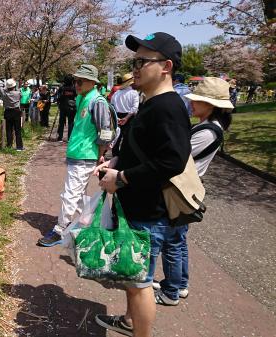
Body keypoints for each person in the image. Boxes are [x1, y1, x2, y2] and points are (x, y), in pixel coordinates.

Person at [94, 32, 190, 337]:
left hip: (149, 213)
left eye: (142, 61)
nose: (134, 67)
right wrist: (114, 163)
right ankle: (129, 322)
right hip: (137, 207)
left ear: (166, 66)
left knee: (139, 284)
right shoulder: (150, 103)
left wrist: (121, 178)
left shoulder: (168, 107)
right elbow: (142, 150)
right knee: (132, 278)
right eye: (133, 61)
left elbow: (171, 162)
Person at [152, 77, 234, 305]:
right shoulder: (207, 126)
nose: (192, 103)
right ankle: (180, 284)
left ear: (212, 105)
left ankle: (171, 292)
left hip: (179, 191)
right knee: (177, 240)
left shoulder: (209, 131)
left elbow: (177, 155)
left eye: (198, 100)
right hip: (184, 191)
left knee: (172, 243)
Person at [37, 64, 113, 247]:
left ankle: (60, 229)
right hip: (77, 153)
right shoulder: (82, 98)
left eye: (80, 81)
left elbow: (105, 131)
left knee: (70, 194)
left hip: (86, 155)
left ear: (92, 82)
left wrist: (101, 155)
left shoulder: (98, 102)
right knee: (78, 196)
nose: (76, 84)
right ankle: (92, 226)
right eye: (75, 80)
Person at [0, 78, 24, 151]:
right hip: (16, 111)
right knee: (17, 130)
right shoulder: (18, 93)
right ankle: (19, 147)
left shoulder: (4, 94)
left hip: (8, 112)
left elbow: (0, 87)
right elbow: (20, 94)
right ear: (14, 86)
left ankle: (9, 145)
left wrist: (2, 83)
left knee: (8, 129)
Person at [56, 75, 77, 141]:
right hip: (71, 107)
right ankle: (69, 138)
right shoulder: (74, 88)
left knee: (61, 122)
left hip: (62, 107)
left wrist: (59, 102)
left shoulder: (62, 88)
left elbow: (58, 97)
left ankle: (60, 137)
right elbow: (77, 96)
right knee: (71, 122)